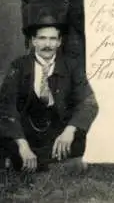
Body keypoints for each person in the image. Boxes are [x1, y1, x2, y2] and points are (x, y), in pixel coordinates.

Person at [0, 13, 98, 173]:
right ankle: (56, 164)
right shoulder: (18, 66)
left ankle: (26, 164)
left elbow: (89, 102)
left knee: (82, 138)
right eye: (42, 38)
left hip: (58, 135)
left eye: (53, 39)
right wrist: (22, 144)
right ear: (33, 41)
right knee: (7, 139)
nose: (47, 44)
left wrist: (69, 130)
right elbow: (6, 107)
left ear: (59, 42)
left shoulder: (71, 66)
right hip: (26, 133)